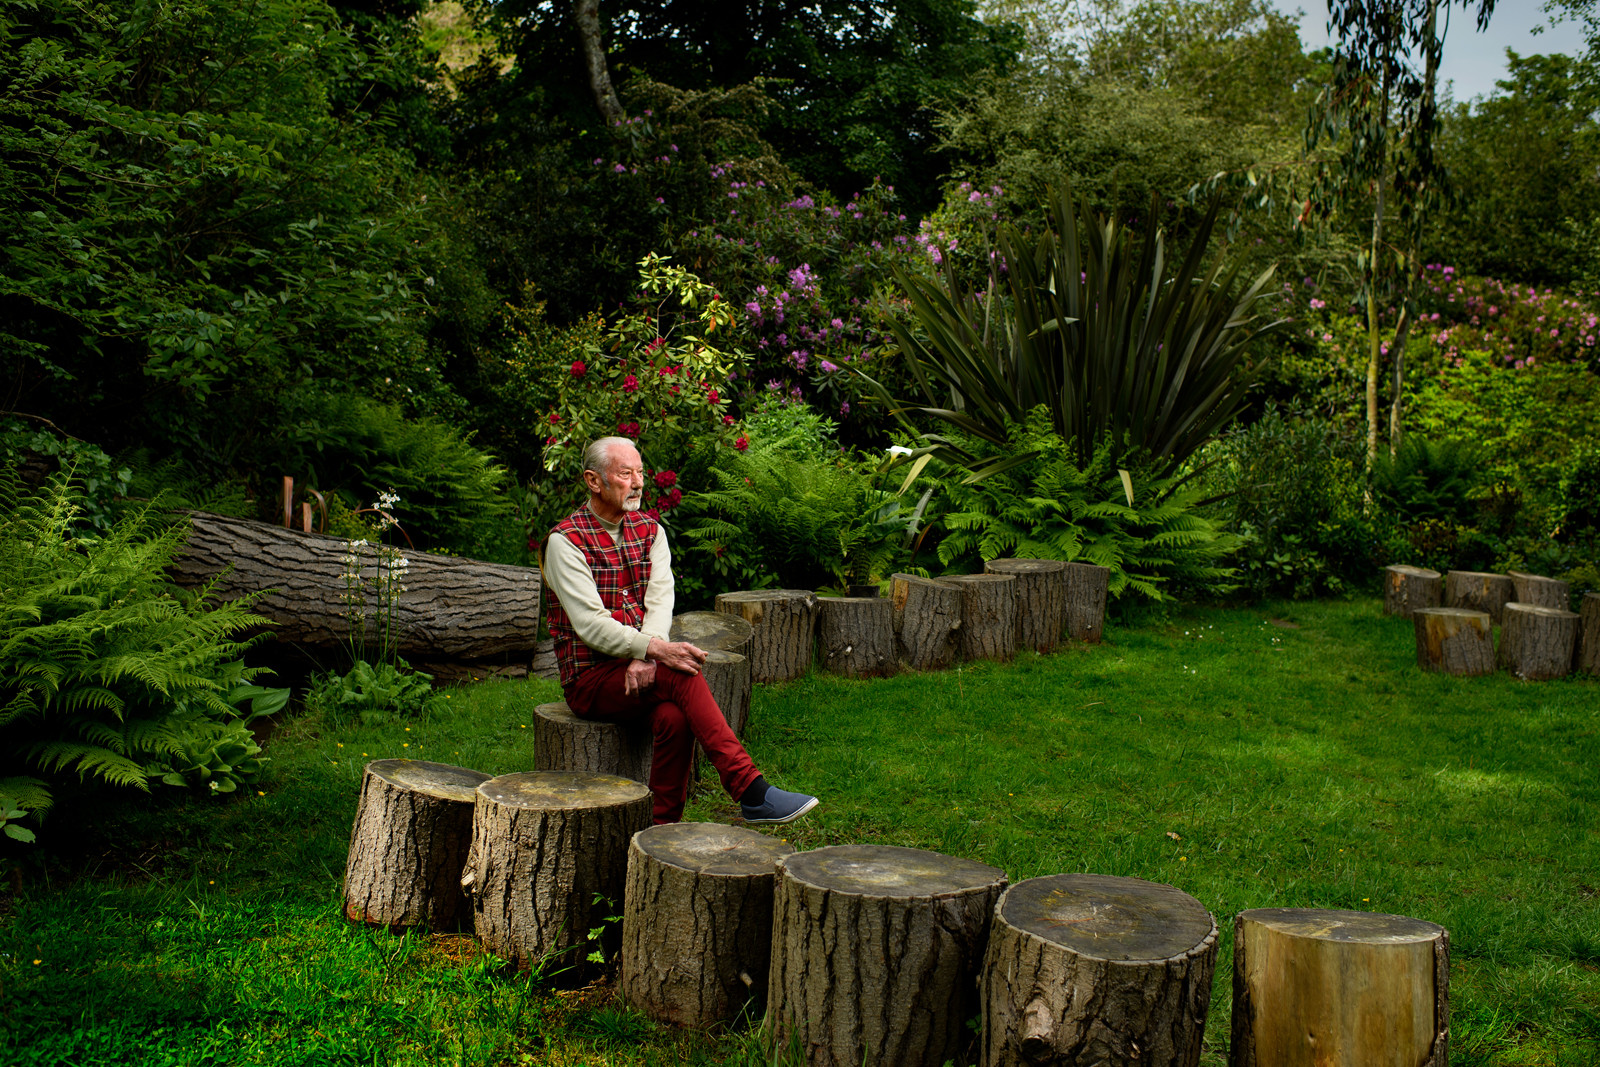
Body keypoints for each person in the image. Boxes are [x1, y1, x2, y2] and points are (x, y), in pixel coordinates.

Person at [542, 436, 820, 826]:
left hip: (641, 665)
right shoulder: (565, 542)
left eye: (641, 472)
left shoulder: (651, 531)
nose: (638, 483)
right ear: (593, 481)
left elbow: (660, 602)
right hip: (590, 678)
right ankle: (750, 790)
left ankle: (661, 828)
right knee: (679, 671)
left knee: (673, 717)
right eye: (626, 474)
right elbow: (591, 625)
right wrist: (653, 651)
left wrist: (647, 651)